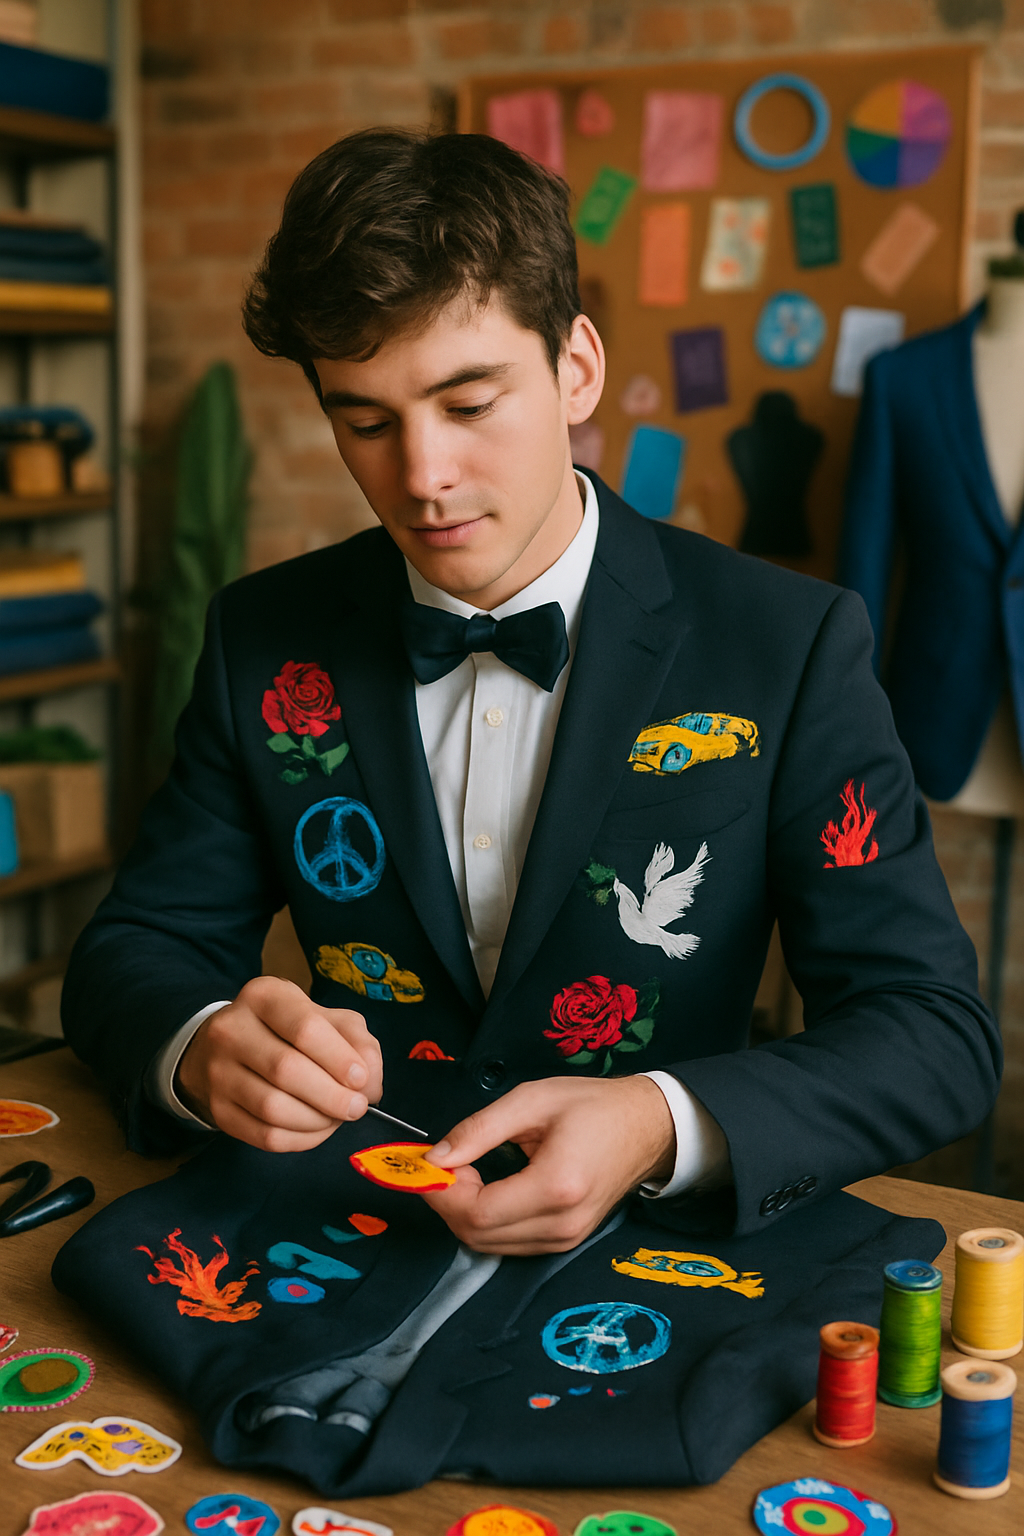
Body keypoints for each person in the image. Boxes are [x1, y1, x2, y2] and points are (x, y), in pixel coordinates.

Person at [62, 129, 1000, 1255]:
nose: (420, 478)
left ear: (577, 368)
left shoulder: (785, 645)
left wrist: (663, 1123)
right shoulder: (259, 639)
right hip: (333, 1242)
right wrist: (202, 1041)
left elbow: (933, 1034)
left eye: (468, 403)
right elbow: (133, 951)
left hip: (654, 1268)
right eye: (364, 421)